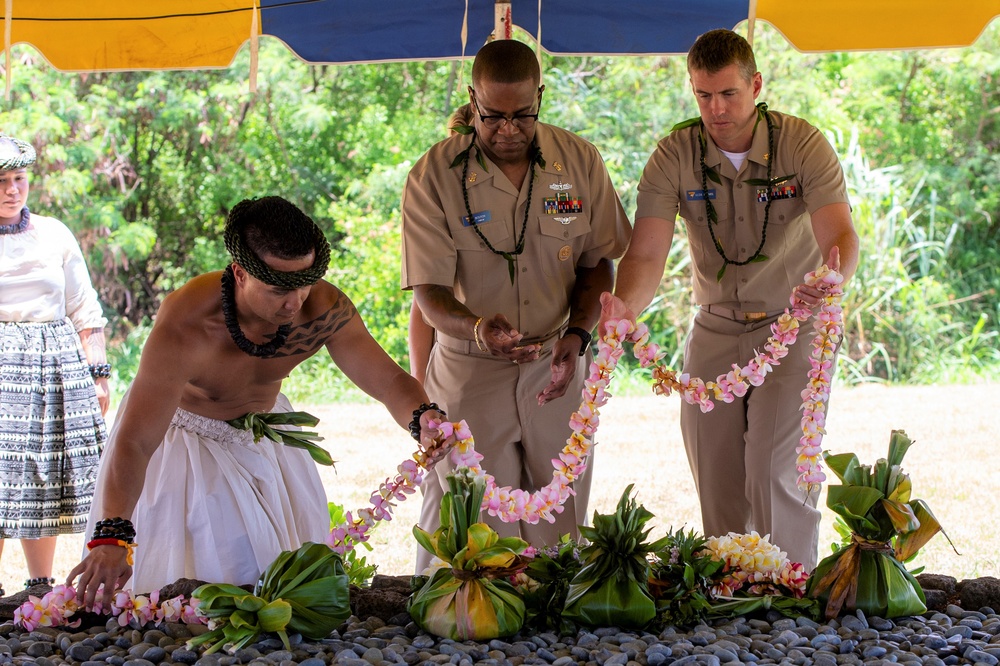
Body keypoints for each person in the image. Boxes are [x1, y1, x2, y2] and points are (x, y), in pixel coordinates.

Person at [69, 196, 451, 607]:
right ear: (240, 273)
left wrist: (422, 417)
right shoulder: (189, 324)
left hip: (269, 441)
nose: (294, 302)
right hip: (186, 444)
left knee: (284, 586)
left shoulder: (323, 309)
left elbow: (389, 379)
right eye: (278, 290)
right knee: (209, 589)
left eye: (304, 284)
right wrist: (112, 535)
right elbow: (136, 440)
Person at [609, 29, 859, 571]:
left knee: (774, 470)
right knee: (716, 473)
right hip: (715, 327)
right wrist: (624, 306)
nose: (715, 109)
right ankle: (732, 593)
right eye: (702, 95)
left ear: (756, 84)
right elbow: (646, 254)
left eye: (727, 94)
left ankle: (790, 592)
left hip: (795, 326)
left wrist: (830, 277)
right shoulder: (674, 153)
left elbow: (839, 233)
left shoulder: (802, 142)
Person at [401, 39, 631, 571]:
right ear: (471, 100)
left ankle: (550, 628)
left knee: (559, 515)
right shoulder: (434, 176)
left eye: (522, 115)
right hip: (469, 369)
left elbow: (598, 263)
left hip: (558, 361)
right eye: (493, 116)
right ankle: (460, 630)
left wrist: (577, 337)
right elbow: (429, 294)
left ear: (541, 98)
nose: (507, 129)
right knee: (470, 521)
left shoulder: (579, 160)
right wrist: (479, 329)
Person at [0, 134, 110, 598]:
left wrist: (99, 374)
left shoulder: (54, 233)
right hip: (4, 365)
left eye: (19, 179)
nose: (12, 190)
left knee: (40, 472)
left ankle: (38, 587)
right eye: (3, 181)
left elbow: (84, 307)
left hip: (53, 365)